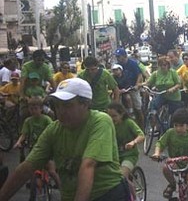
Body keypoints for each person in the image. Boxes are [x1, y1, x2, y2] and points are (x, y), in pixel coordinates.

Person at [0, 78, 129, 201]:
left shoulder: (100, 121)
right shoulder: (53, 130)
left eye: (67, 105)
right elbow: (27, 167)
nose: (60, 111)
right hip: (70, 195)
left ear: (86, 104)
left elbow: (88, 165)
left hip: (107, 194)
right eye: (57, 105)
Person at [151, 108, 188, 201]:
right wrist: (157, 153)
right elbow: (160, 143)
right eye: (176, 125)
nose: (178, 128)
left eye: (181, 125)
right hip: (176, 162)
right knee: (166, 168)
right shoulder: (170, 133)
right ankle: (172, 185)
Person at [13, 96, 60, 187]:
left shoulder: (46, 119)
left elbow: (53, 130)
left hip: (47, 148)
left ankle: (60, 187)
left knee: (51, 171)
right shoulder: (28, 121)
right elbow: (24, 134)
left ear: (41, 109)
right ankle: (33, 182)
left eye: (36, 108)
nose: (33, 111)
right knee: (30, 168)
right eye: (31, 109)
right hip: (34, 148)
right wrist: (18, 142)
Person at [107, 102, 144, 198]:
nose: (111, 119)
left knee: (122, 177)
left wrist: (133, 142)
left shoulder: (128, 123)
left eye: (114, 116)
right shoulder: (107, 125)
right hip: (114, 156)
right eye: (109, 116)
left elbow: (141, 136)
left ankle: (132, 197)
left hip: (129, 155)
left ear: (122, 114)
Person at [114, 48, 143, 113]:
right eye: (116, 56)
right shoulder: (117, 65)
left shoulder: (133, 64)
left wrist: (137, 85)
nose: (117, 58)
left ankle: (141, 122)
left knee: (138, 108)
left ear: (124, 56)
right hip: (122, 90)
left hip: (132, 88)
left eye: (118, 56)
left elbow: (139, 75)